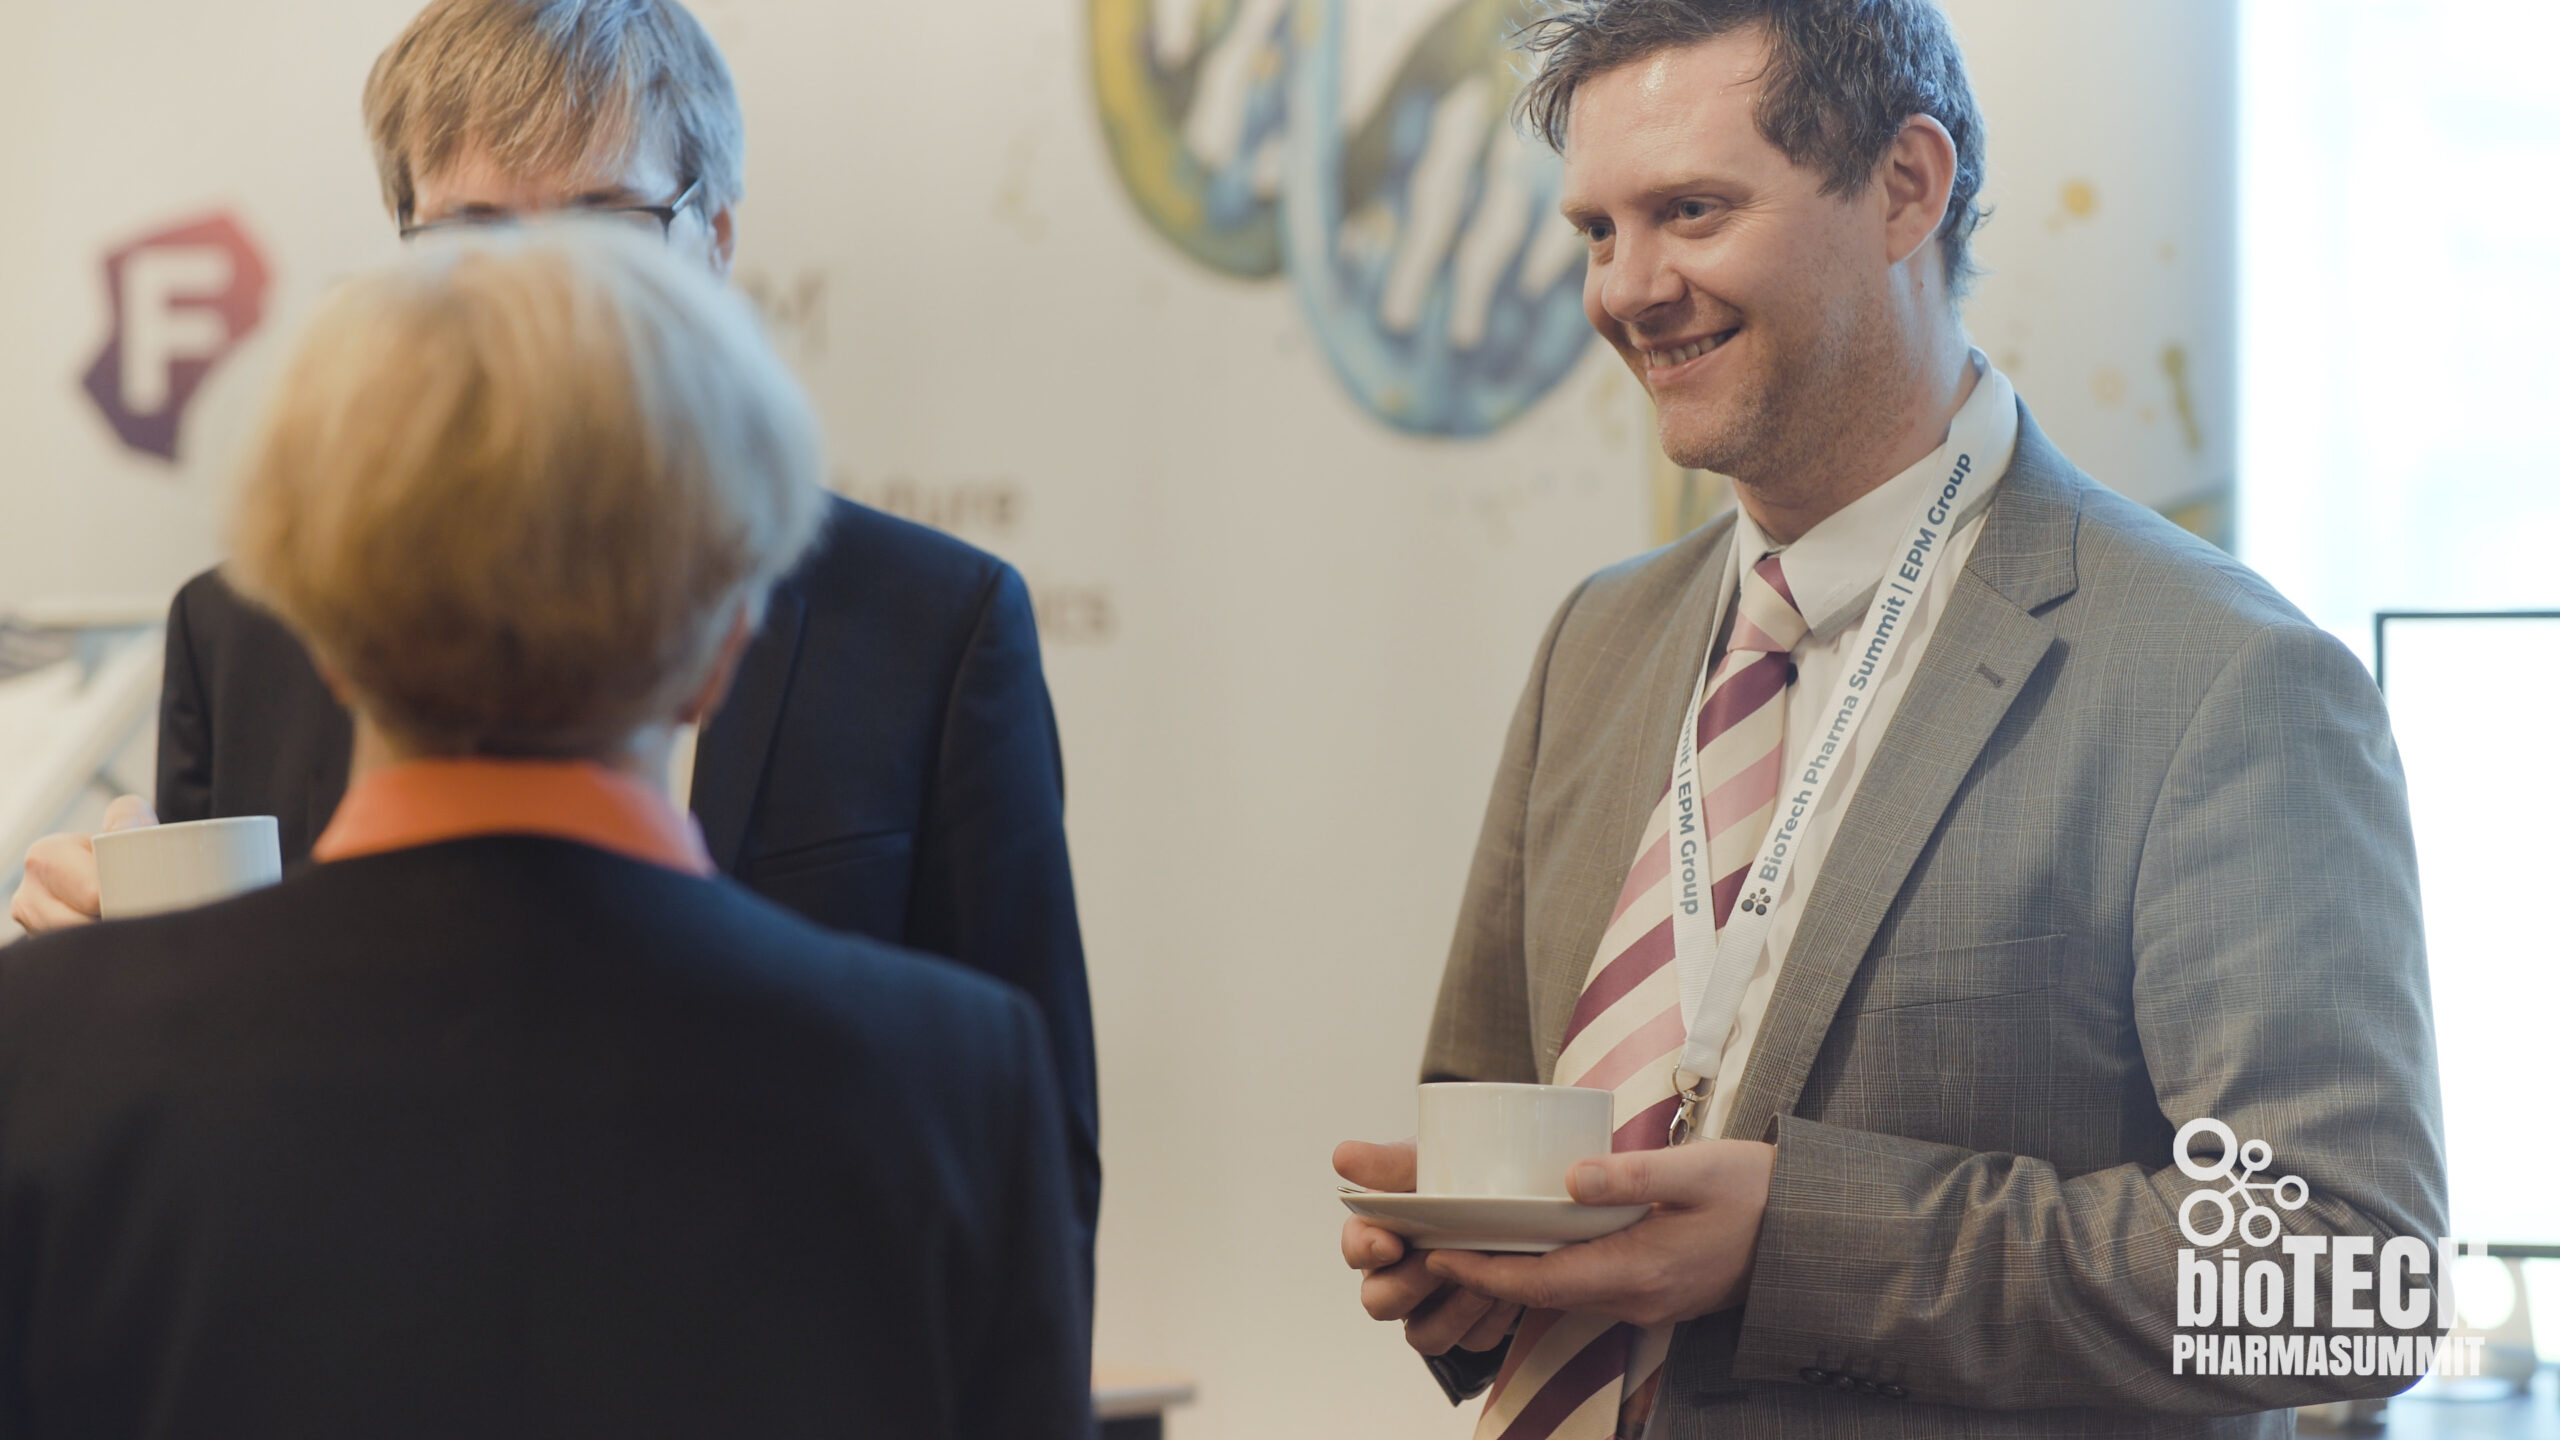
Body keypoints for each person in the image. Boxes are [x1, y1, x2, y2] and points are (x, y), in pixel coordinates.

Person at [1334, 2, 2446, 1437]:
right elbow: (1489, 1114)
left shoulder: (2222, 678)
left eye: (1691, 211)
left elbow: (2351, 1282)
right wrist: (1469, 1264)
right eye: (1598, 231)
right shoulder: (1597, 643)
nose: (1628, 289)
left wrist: (1801, 1243)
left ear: (1907, 188)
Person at [7, 0, 1100, 1272]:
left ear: (716, 241)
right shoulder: (246, 624)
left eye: (603, 229)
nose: (541, 300)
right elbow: (196, 1145)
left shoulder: (930, 623)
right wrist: (127, 990)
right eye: (474, 239)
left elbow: (1028, 1175)